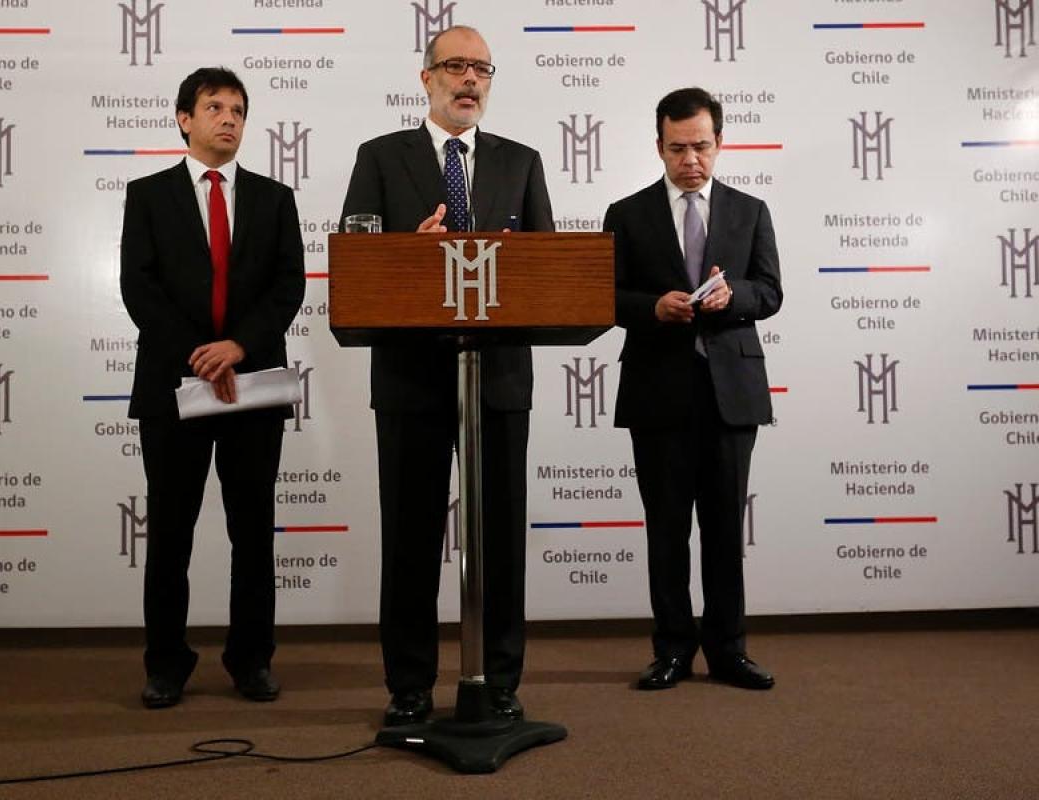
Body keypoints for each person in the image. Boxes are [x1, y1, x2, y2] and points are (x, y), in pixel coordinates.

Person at [340, 25, 554, 726]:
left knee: (501, 537)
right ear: (426, 77)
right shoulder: (380, 157)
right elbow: (356, 265)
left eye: (482, 69)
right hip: (412, 377)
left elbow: (548, 272)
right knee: (410, 535)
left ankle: (500, 680)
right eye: (456, 66)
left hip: (498, 376)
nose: (470, 80)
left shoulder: (521, 162)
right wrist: (409, 254)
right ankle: (408, 686)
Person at [120, 66, 305, 709]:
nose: (229, 119)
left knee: (252, 533)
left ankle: (251, 660)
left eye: (238, 110)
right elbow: (139, 287)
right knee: (171, 533)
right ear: (184, 119)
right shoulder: (148, 195)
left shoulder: (275, 198)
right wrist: (202, 357)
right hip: (174, 388)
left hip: (253, 388)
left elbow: (288, 285)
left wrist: (238, 348)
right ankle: (166, 664)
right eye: (214, 107)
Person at [603, 87, 783, 691]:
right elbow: (606, 297)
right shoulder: (626, 214)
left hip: (731, 392)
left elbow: (770, 291)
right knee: (666, 530)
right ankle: (673, 650)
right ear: (659, 147)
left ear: (720, 143)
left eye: (701, 146)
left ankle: (728, 651)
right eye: (678, 148)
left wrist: (735, 297)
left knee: (726, 529)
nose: (690, 160)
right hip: (658, 392)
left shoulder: (750, 210)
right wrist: (653, 307)